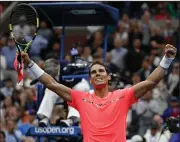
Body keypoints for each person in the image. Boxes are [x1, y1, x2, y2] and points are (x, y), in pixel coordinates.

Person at [20, 44, 177, 142]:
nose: (98, 74)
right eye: (93, 72)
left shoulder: (123, 95)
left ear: (108, 76)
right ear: (90, 79)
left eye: (101, 71)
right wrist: (29, 63)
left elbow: (150, 82)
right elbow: (51, 83)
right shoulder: (81, 97)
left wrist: (166, 60)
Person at [36, 58, 90, 126]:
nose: (52, 74)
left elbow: (70, 84)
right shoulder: (49, 74)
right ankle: (44, 117)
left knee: (76, 93)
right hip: (62, 89)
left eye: (52, 71)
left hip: (78, 84)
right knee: (49, 90)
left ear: (57, 66)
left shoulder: (66, 66)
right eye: (49, 72)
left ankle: (72, 119)